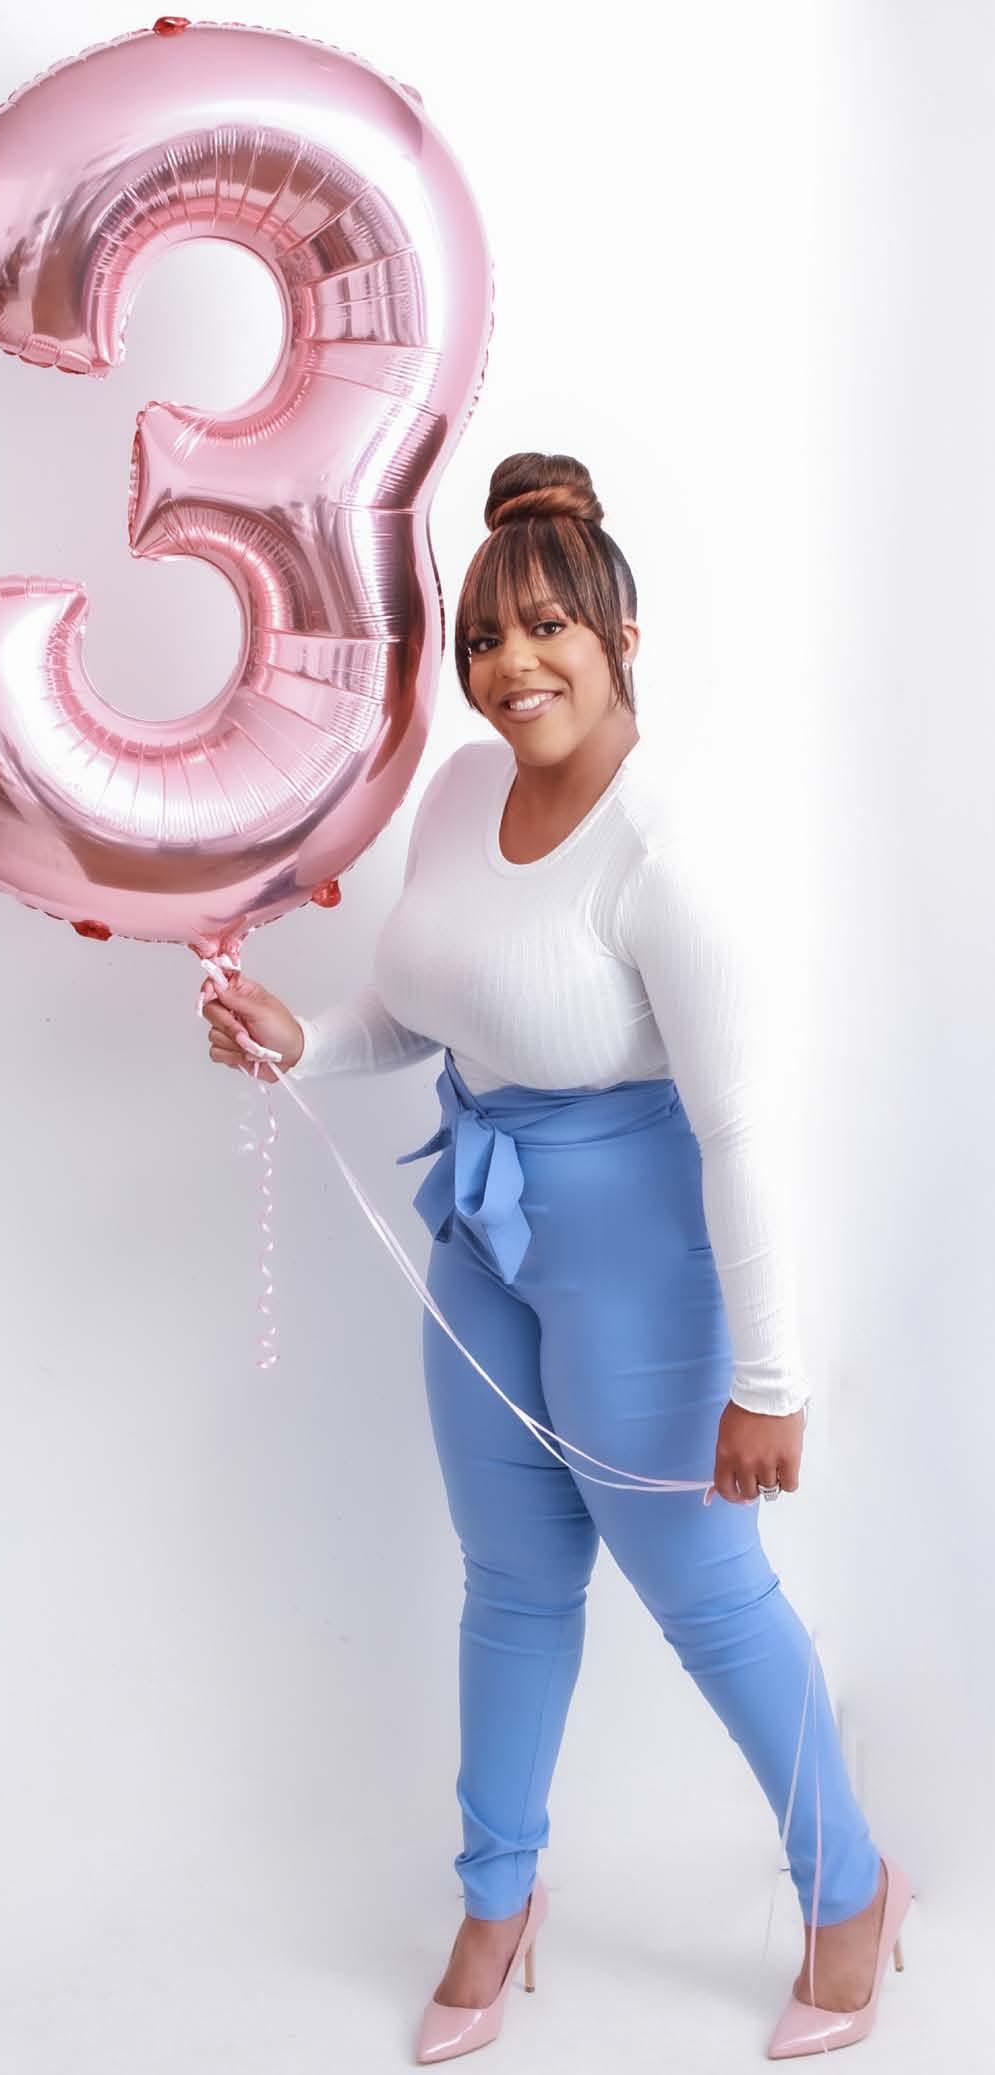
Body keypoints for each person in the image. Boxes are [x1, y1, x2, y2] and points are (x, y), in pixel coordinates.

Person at [200, 452, 912, 2063]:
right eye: (481, 638)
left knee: (706, 1595)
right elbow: (433, 1006)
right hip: (483, 1234)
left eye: (545, 629)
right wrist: (301, 1039)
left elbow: (743, 1134)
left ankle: (851, 1888)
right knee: (513, 1586)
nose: (510, 665)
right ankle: (496, 1901)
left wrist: (770, 1380)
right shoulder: (462, 792)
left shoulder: (668, 857)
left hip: (641, 1263)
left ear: (621, 637)